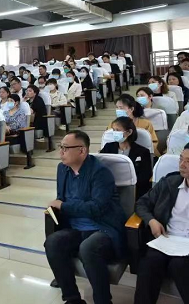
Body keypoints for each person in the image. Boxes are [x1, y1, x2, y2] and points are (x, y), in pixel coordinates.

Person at [44, 131, 126, 304]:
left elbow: (96, 208)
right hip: (75, 227)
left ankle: (103, 301)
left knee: (88, 248)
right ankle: (72, 299)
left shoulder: (100, 173)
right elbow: (61, 198)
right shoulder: (62, 169)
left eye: (65, 148)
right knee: (52, 242)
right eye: (60, 147)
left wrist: (63, 206)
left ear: (82, 150)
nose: (61, 152)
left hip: (102, 227)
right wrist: (58, 206)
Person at [133, 144, 189, 304]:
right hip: (166, 238)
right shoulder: (170, 182)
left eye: (188, 161)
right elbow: (141, 203)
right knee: (149, 262)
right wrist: (151, 221)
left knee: (179, 265)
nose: (182, 165)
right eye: (181, 159)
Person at [100, 116, 152, 198]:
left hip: (135, 189)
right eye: (113, 130)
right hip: (109, 187)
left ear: (129, 132)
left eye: (118, 130)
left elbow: (145, 175)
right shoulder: (108, 147)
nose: (115, 133)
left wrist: (129, 184)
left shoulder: (143, 152)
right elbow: (100, 165)